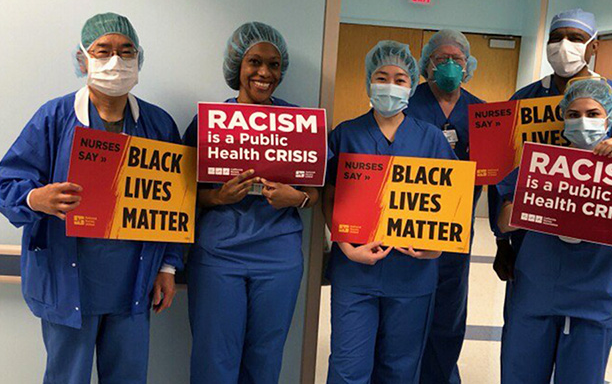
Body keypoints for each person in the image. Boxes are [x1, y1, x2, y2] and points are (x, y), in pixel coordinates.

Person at [0, 12, 183, 384]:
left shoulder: (158, 126)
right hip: (69, 282)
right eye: (103, 51)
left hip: (133, 281)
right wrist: (36, 198)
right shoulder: (54, 118)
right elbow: (5, 186)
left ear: (138, 58)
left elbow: (175, 204)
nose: (116, 62)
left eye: (126, 52)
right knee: (67, 377)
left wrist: (168, 267)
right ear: (83, 59)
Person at [183, 21, 319, 384]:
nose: (264, 73)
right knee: (215, 357)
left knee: (265, 357)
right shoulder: (210, 123)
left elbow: (317, 189)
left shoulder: (299, 123)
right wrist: (217, 196)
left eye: (274, 65)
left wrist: (300, 199)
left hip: (279, 256)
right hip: (218, 255)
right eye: (254, 62)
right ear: (236, 67)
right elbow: (178, 193)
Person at [491, 8, 612, 302]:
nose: (564, 46)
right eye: (556, 38)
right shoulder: (523, 101)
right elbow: (502, 173)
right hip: (532, 242)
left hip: (596, 249)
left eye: (575, 38)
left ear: (594, 45)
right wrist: (501, 239)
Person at [496, 78, 612, 383]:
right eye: (573, 114)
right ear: (563, 118)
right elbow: (503, 221)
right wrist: (536, 203)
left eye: (593, 114)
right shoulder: (540, 164)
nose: (583, 121)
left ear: (610, 118)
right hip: (535, 293)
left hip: (593, 298)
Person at [323, 40, 458, 383]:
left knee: (400, 368)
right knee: (348, 366)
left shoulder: (432, 139)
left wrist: (436, 246)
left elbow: (449, 200)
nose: (390, 85)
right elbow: (330, 194)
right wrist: (345, 247)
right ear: (369, 81)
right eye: (382, 77)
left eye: (400, 79)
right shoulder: (346, 134)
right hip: (355, 273)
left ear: (412, 85)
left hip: (412, 274)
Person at [406, 29, 486, 384]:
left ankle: (439, 377)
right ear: (427, 65)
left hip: (456, 229)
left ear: (468, 66)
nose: (450, 65)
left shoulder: (482, 114)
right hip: (410, 223)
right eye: (441, 59)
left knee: (448, 311)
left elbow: (498, 176)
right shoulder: (406, 104)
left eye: (457, 60)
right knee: (405, 308)